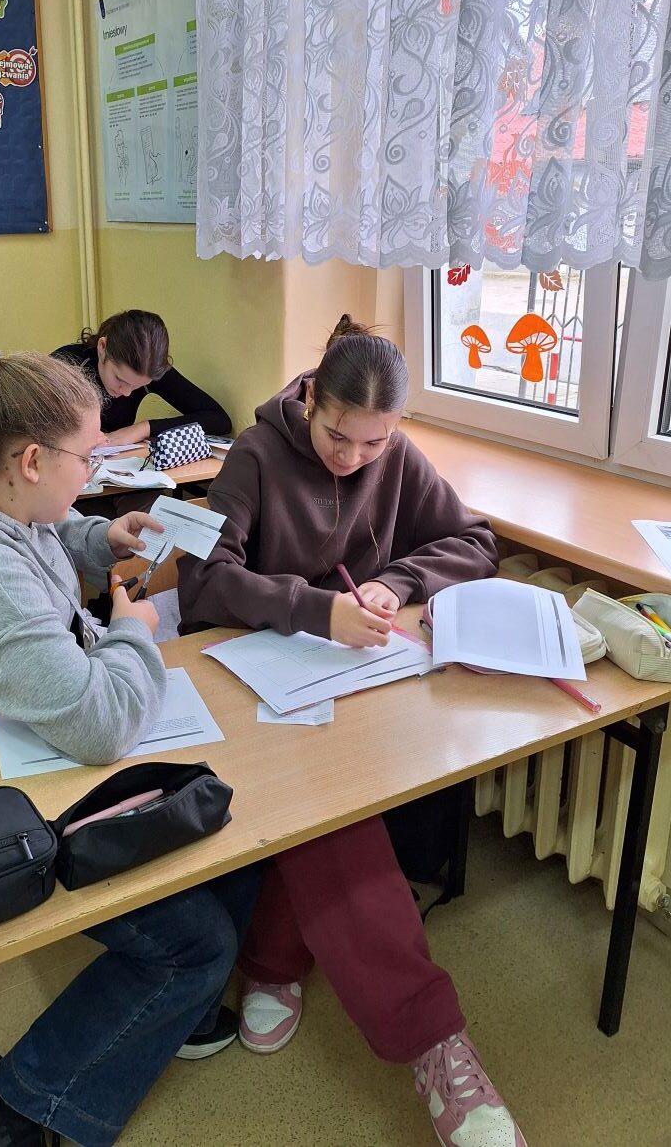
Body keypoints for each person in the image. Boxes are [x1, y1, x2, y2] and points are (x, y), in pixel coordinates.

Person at [0, 342, 258, 1147]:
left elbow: (43, 533)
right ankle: (8, 1106)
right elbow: (102, 724)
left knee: (224, 831)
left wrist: (99, 537)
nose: (96, 468)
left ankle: (164, 1014)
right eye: (89, 456)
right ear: (32, 460)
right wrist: (132, 631)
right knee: (198, 942)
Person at [177, 316, 526, 1147]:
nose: (354, 456)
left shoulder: (394, 456)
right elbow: (201, 582)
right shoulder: (256, 454)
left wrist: (396, 582)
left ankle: (273, 957)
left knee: (336, 807)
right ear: (309, 400)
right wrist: (315, 609)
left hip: (355, 679)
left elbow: (475, 540)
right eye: (339, 435)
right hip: (252, 677)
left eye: (375, 442)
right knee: (328, 809)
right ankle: (435, 1045)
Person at [53, 310, 231, 446]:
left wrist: (143, 429)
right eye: (120, 379)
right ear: (102, 347)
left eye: (137, 386)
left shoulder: (149, 369)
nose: (126, 392)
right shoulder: (65, 366)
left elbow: (219, 420)